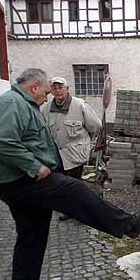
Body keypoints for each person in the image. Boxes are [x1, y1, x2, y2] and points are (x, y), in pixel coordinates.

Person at [0, 68, 140, 280]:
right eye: (46, 92)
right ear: (34, 88)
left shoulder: (20, 103)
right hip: (19, 179)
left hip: (14, 179)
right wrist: (33, 166)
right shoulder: (12, 103)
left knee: (33, 231)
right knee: (76, 191)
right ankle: (128, 225)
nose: (48, 97)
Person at [42, 76, 102, 220]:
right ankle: (73, 209)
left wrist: (86, 142)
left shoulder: (79, 105)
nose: (58, 91)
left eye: (61, 87)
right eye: (54, 88)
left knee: (74, 182)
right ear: (51, 91)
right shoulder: (48, 108)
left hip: (75, 152)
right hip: (57, 154)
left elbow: (96, 126)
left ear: (67, 89)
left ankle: (84, 207)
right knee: (64, 182)